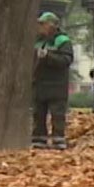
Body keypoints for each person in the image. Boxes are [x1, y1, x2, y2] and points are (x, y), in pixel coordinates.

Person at [32, 11, 74, 149]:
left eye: (43, 24)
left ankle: (58, 140)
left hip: (57, 86)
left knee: (57, 114)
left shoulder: (63, 41)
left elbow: (66, 60)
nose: (40, 27)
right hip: (40, 84)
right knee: (39, 113)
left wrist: (48, 57)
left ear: (52, 25)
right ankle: (39, 140)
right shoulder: (37, 41)